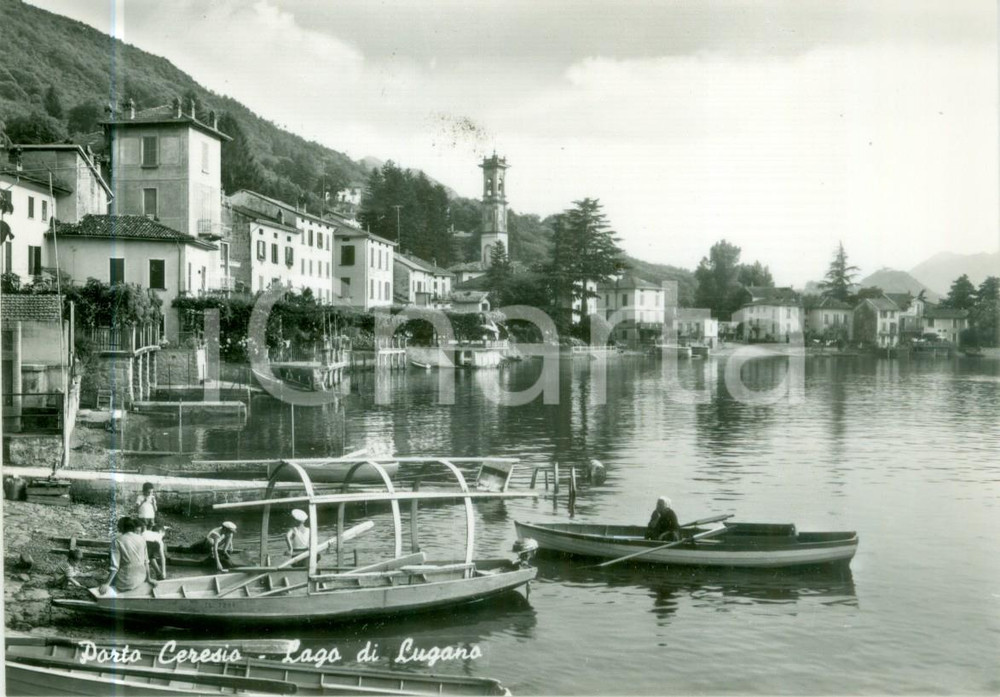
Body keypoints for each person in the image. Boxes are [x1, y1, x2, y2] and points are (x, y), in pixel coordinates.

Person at [99, 516, 157, 596]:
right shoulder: (141, 539)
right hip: (141, 579)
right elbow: (146, 562)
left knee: (108, 582)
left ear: (121, 528)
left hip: (126, 583)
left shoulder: (117, 541)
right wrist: (149, 579)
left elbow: (115, 567)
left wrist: (106, 584)